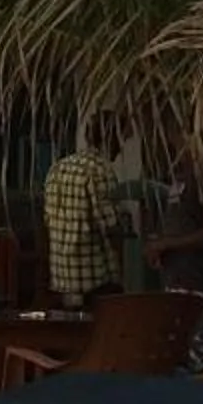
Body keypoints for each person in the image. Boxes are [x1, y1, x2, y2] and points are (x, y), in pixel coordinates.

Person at [146, 148, 203, 369]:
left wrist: (168, 244)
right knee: (177, 356)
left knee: (200, 358)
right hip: (176, 280)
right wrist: (159, 244)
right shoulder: (178, 178)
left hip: (200, 283)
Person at [42, 121, 125, 305]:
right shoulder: (101, 170)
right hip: (95, 280)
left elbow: (48, 220)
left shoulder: (57, 168)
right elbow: (111, 226)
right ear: (112, 139)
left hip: (61, 278)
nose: (121, 150)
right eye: (122, 141)